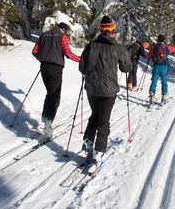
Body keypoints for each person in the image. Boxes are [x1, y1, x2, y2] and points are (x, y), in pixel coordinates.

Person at [79, 16, 132, 173]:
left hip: (92, 88)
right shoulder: (117, 47)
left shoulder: (91, 46)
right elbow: (126, 68)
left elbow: (82, 67)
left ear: (101, 29)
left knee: (95, 116)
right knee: (104, 121)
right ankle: (98, 153)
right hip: (109, 90)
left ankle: (88, 143)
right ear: (113, 30)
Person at [32, 22, 80, 138]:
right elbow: (67, 53)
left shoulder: (44, 35)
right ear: (64, 30)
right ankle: (48, 123)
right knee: (55, 96)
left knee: (49, 93)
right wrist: (80, 59)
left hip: (44, 67)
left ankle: (43, 120)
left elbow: (34, 52)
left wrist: (43, 58)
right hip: (56, 68)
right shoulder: (62, 36)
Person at [146, 34, 175, 105]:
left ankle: (151, 97)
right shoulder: (167, 47)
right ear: (164, 40)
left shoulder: (154, 47)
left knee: (154, 82)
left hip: (156, 66)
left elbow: (148, 55)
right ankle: (163, 97)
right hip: (164, 66)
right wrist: (169, 44)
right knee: (164, 82)